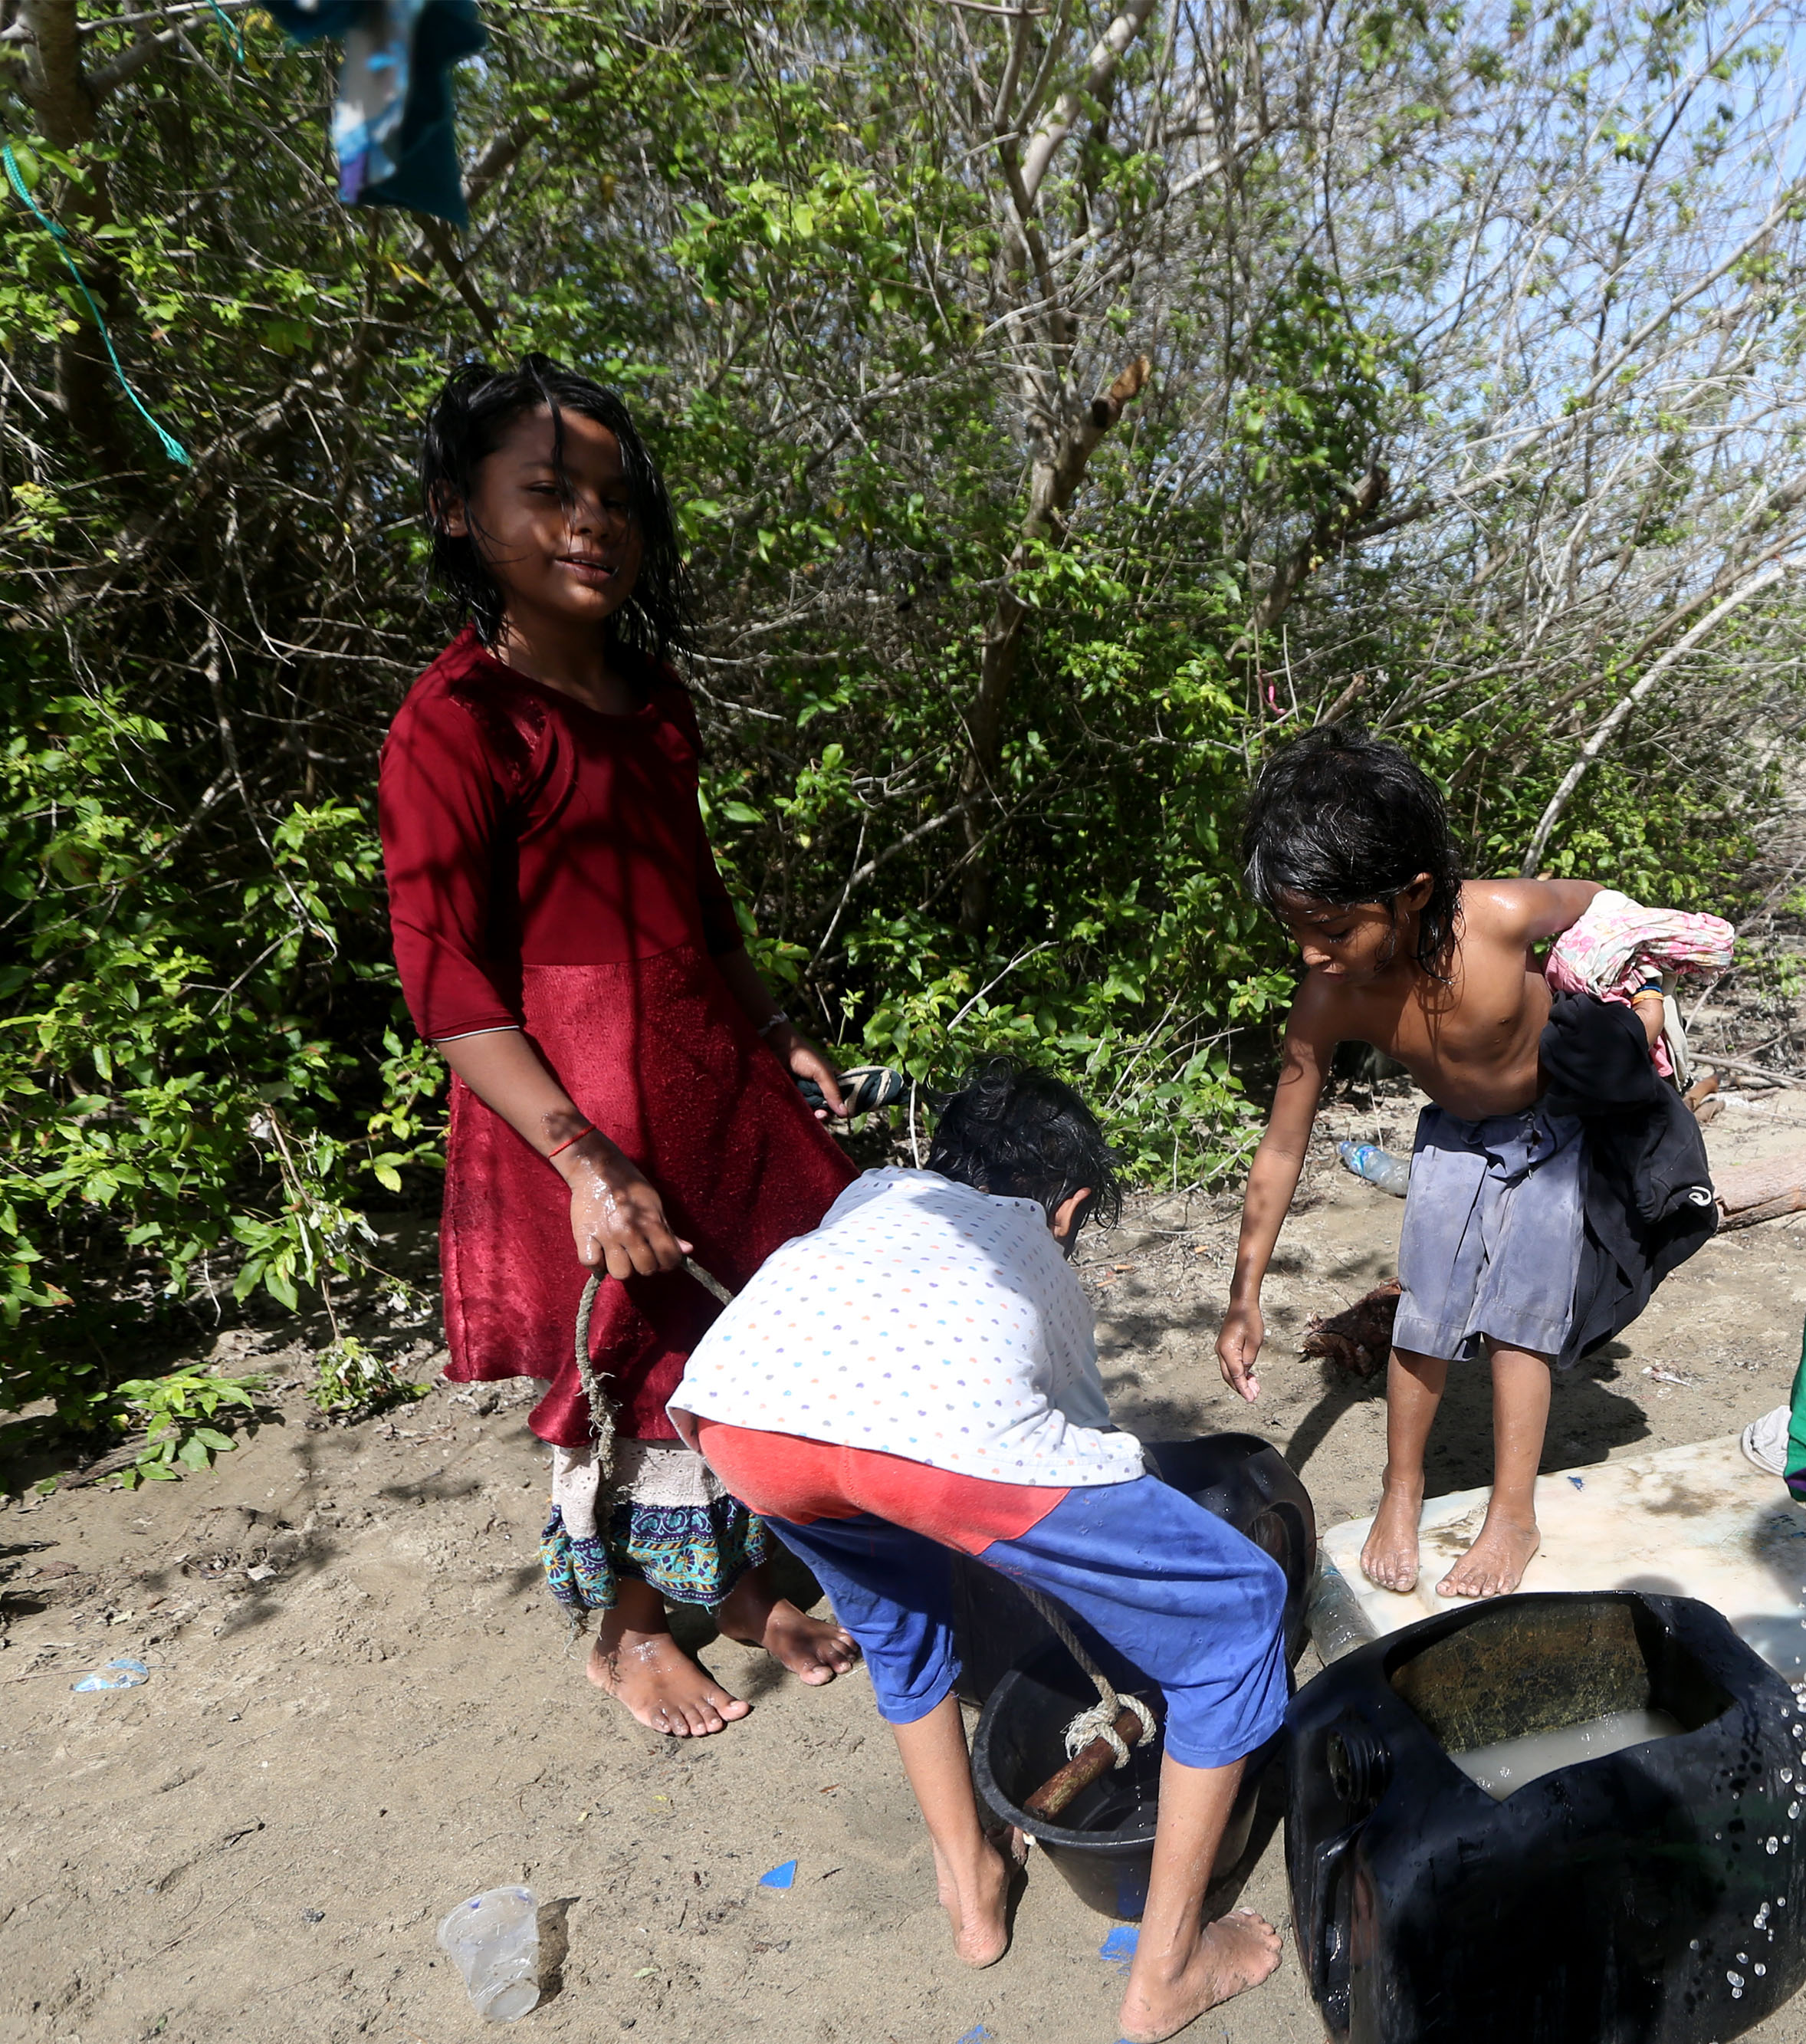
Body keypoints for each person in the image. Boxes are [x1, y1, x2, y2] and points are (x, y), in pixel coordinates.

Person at [379, 355, 862, 1735]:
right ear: (461, 514)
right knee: (638, 1361)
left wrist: (776, 1035)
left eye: (613, 500)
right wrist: (585, 1159)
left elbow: (700, 902)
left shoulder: (655, 704)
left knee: (753, 1323)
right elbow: (448, 982)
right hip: (570, 1100)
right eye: (547, 494)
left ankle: (737, 1576)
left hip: (706, 1068)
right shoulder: (455, 723)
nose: (590, 523)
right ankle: (630, 1629)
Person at [668, 1064, 1289, 2033]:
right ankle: (1168, 1970)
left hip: (740, 1415)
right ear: (1070, 1203)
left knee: (900, 1627)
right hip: (935, 1440)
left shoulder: (875, 1189)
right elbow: (1079, 1456)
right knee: (1237, 1610)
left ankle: (973, 1891)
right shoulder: (1034, 1252)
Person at [1214, 728, 1715, 1600]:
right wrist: (1244, 1289)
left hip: (1551, 1130)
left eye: (1332, 927)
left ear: (1411, 893)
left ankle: (1511, 1513)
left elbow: (1607, 909)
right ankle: (1399, 1491)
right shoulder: (1329, 993)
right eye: (1294, 929)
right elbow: (1283, 1142)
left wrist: (1639, 998)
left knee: (1524, 1318)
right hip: (1448, 1137)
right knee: (1424, 1316)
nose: (1309, 951)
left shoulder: (1502, 918)